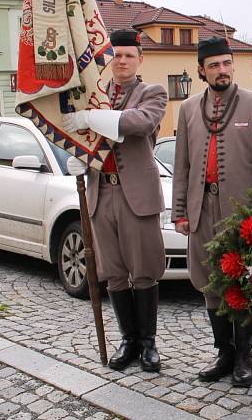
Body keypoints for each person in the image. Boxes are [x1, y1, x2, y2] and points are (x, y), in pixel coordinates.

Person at [172, 36, 252, 388]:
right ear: (201, 71)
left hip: (242, 211)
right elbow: (182, 165)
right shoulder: (187, 109)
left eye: (227, 63)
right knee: (209, 283)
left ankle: (244, 359)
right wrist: (180, 211)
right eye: (214, 65)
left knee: (243, 284)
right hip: (203, 208)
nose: (222, 70)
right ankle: (224, 353)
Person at [64, 28, 168, 373]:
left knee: (143, 271)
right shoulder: (95, 94)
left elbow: (139, 123)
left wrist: (91, 118)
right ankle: (128, 340)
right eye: (117, 55)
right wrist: (77, 154)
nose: (121, 61)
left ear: (140, 59)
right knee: (113, 273)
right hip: (100, 190)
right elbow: (81, 135)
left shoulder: (152, 92)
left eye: (128, 55)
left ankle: (149, 343)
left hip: (135, 193)